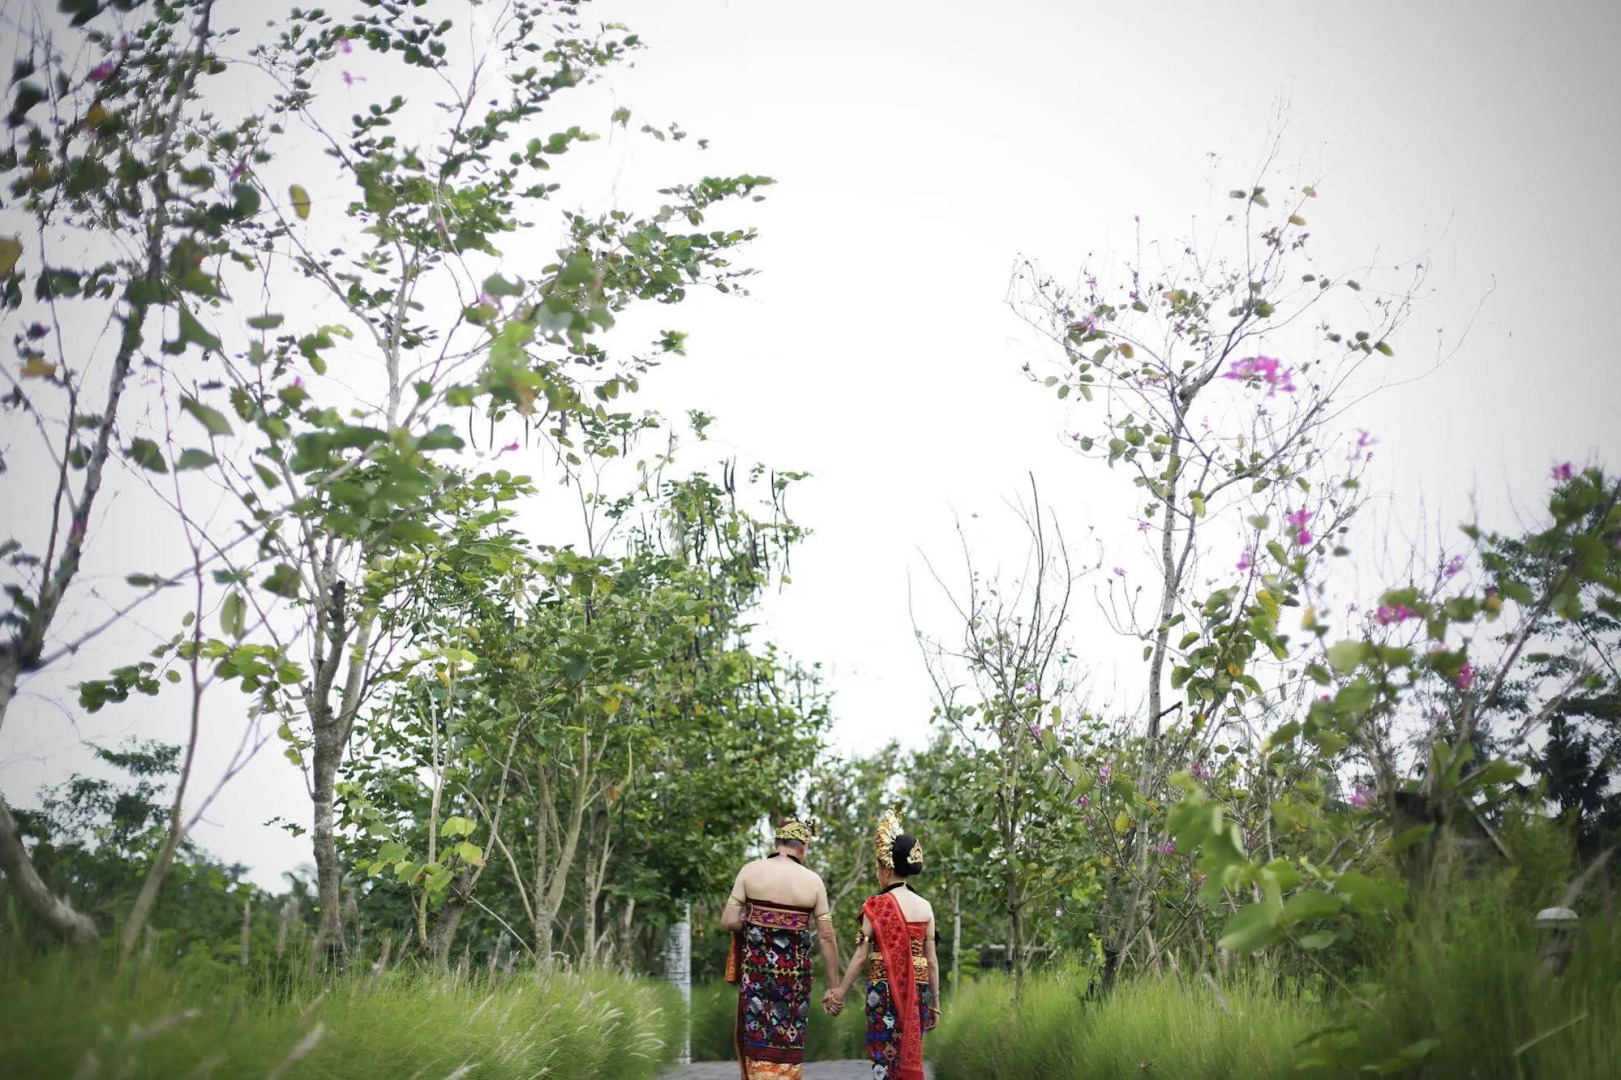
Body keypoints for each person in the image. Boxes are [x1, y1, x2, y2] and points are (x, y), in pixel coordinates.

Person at [720, 818, 842, 1080]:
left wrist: (752, 926)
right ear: (803, 847)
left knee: (756, 1036)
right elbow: (827, 936)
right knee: (789, 1041)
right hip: (794, 983)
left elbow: (728, 920)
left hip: (757, 979)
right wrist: (834, 987)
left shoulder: (750, 871)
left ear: (777, 843)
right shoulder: (813, 882)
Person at [824, 809, 940, 1080]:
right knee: (909, 1052)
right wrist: (935, 1003)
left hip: (882, 994)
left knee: (884, 1059)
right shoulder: (926, 907)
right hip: (919, 993)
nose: (877, 873)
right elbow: (931, 961)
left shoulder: (875, 906)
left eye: (878, 867)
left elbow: (861, 956)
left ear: (887, 868)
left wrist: (839, 993)